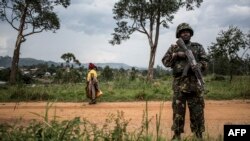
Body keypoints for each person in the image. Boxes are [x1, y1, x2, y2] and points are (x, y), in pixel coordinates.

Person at [162, 23, 208, 140]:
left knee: (197, 112)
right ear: (179, 35)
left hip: (194, 86)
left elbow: (205, 62)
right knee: (178, 113)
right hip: (179, 85)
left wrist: (198, 65)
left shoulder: (198, 47)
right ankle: (177, 135)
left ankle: (198, 135)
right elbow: (166, 62)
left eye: (187, 31)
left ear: (191, 33)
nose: (185, 33)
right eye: (182, 32)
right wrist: (176, 55)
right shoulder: (174, 48)